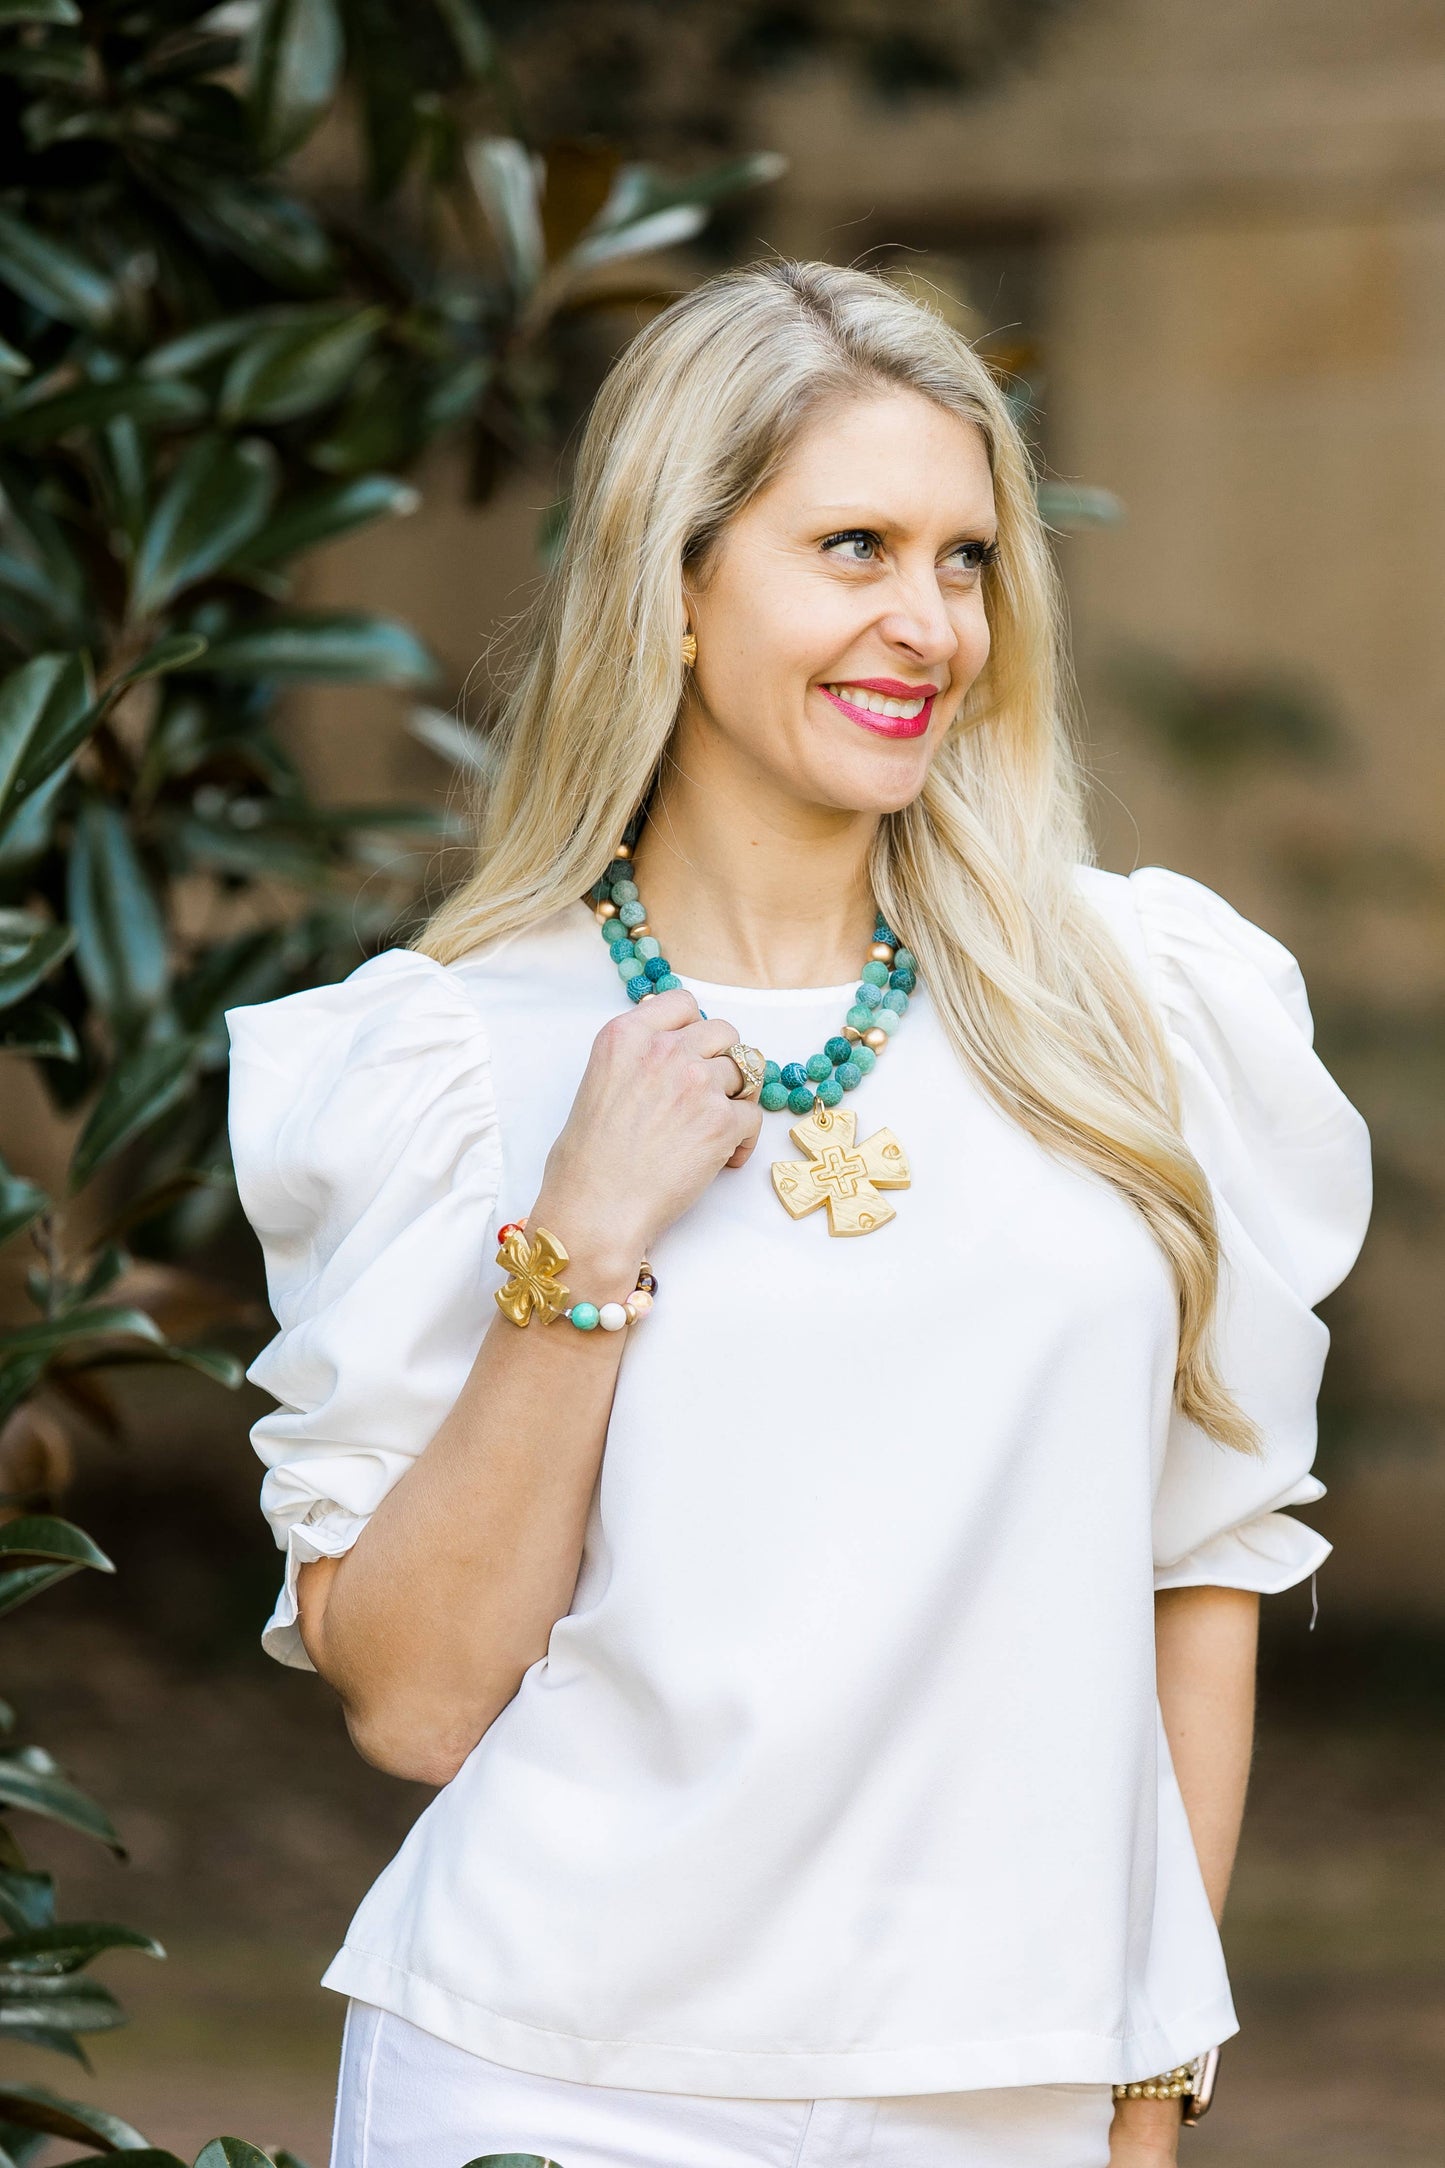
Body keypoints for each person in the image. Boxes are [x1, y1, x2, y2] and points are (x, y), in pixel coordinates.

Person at [225, 261, 1373, 2168]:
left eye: (964, 560)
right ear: (672, 582)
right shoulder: (452, 1056)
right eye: (851, 547)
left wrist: (1148, 2090)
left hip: (1008, 2093)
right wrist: (575, 1253)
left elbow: (1203, 1578)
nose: (925, 624)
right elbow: (415, 1700)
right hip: (556, 2075)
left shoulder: (1139, 1012)